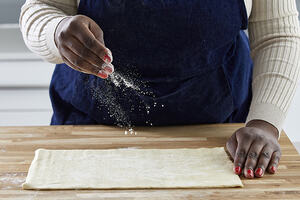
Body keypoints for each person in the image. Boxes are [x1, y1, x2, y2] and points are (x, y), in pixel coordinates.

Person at [20, 0, 300, 179]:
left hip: (220, 140)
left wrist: (265, 124)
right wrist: (56, 30)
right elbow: (40, 8)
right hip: (90, 131)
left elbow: (278, 33)